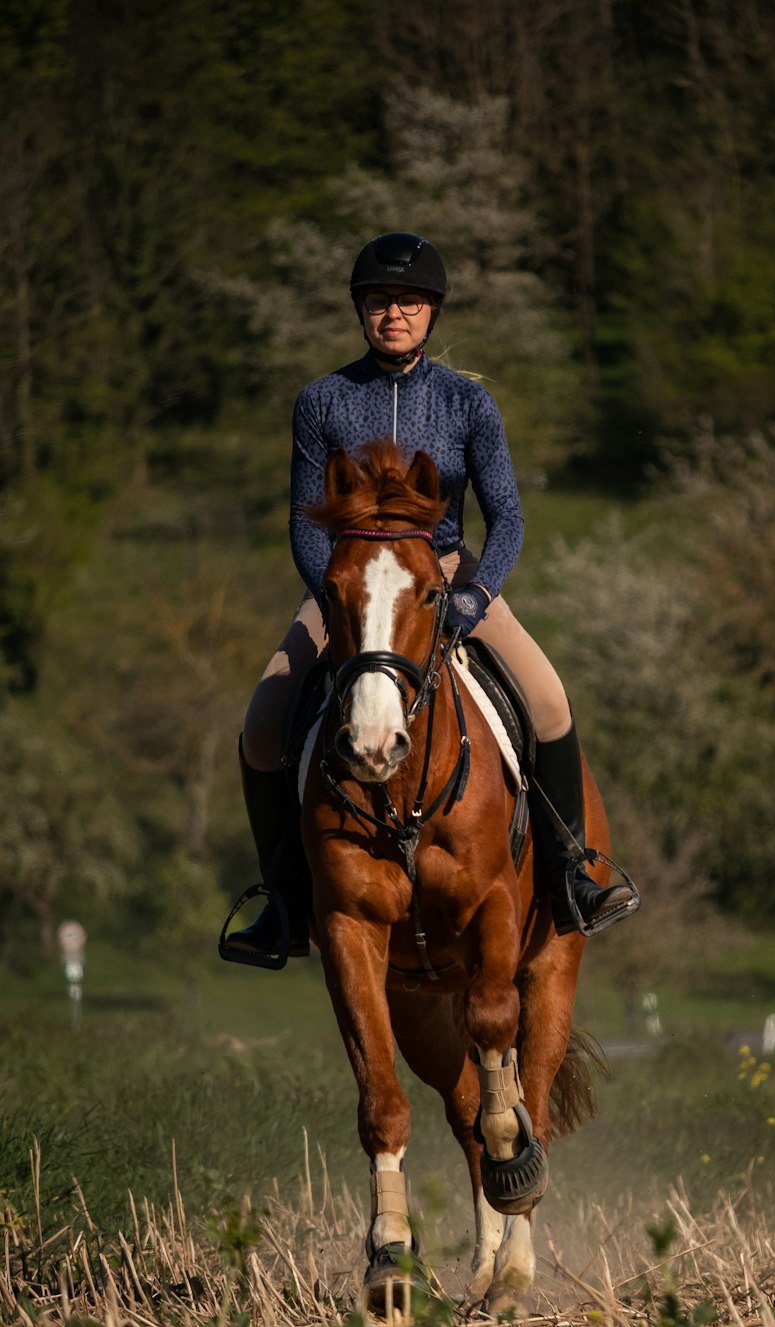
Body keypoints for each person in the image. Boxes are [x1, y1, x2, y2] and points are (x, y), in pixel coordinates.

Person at [226, 231, 636, 962]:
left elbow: (505, 513)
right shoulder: (320, 401)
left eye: (409, 303)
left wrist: (478, 593)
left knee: (549, 702)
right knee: (262, 726)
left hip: (446, 576)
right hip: (348, 583)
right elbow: (301, 517)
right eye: (381, 302)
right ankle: (283, 902)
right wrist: (334, 593)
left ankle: (574, 874)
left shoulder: (466, 402)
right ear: (361, 310)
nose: (395, 314)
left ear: (431, 313)